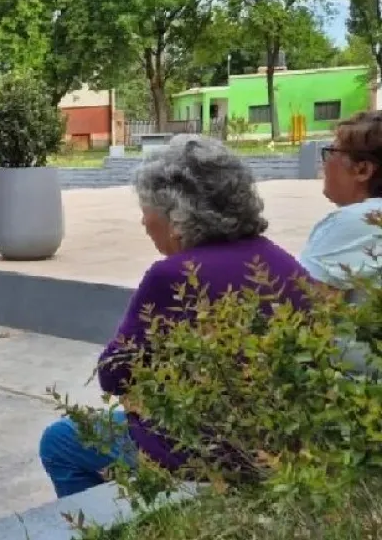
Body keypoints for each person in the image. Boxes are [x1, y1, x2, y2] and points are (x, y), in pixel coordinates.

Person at [38, 135, 311, 498]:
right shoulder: (280, 259)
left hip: (210, 449)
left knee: (60, 441)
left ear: (177, 217)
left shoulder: (174, 274)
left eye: (148, 208)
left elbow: (113, 374)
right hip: (282, 440)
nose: (143, 221)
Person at [299, 110, 382, 374]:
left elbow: (302, 311)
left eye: (330, 153)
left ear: (363, 169)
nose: (324, 164)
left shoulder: (355, 222)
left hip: (355, 394)